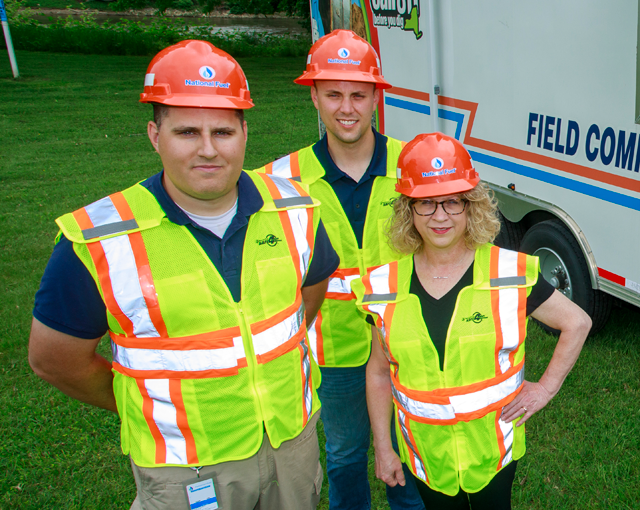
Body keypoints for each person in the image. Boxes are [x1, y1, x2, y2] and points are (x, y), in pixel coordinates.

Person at [28, 40, 341, 510]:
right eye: (188, 132)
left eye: (223, 131)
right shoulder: (99, 240)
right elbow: (54, 360)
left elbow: (309, 293)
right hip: (186, 467)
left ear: (245, 132)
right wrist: (147, 400)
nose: (209, 150)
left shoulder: (294, 208)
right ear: (155, 134)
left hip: (289, 446)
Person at [353, 132, 592, 510]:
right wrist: (384, 449)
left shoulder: (509, 273)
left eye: (452, 202)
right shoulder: (382, 287)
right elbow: (379, 372)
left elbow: (577, 323)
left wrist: (544, 389)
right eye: (426, 204)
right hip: (425, 455)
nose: (440, 216)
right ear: (407, 211)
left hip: (492, 452)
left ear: (471, 206)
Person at [254, 29, 425, 510]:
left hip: (407, 343)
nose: (346, 107)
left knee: (410, 453)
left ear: (376, 97)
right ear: (314, 97)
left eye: (358, 94)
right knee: (346, 455)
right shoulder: (278, 181)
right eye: (333, 94)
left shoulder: (414, 165)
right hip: (331, 351)